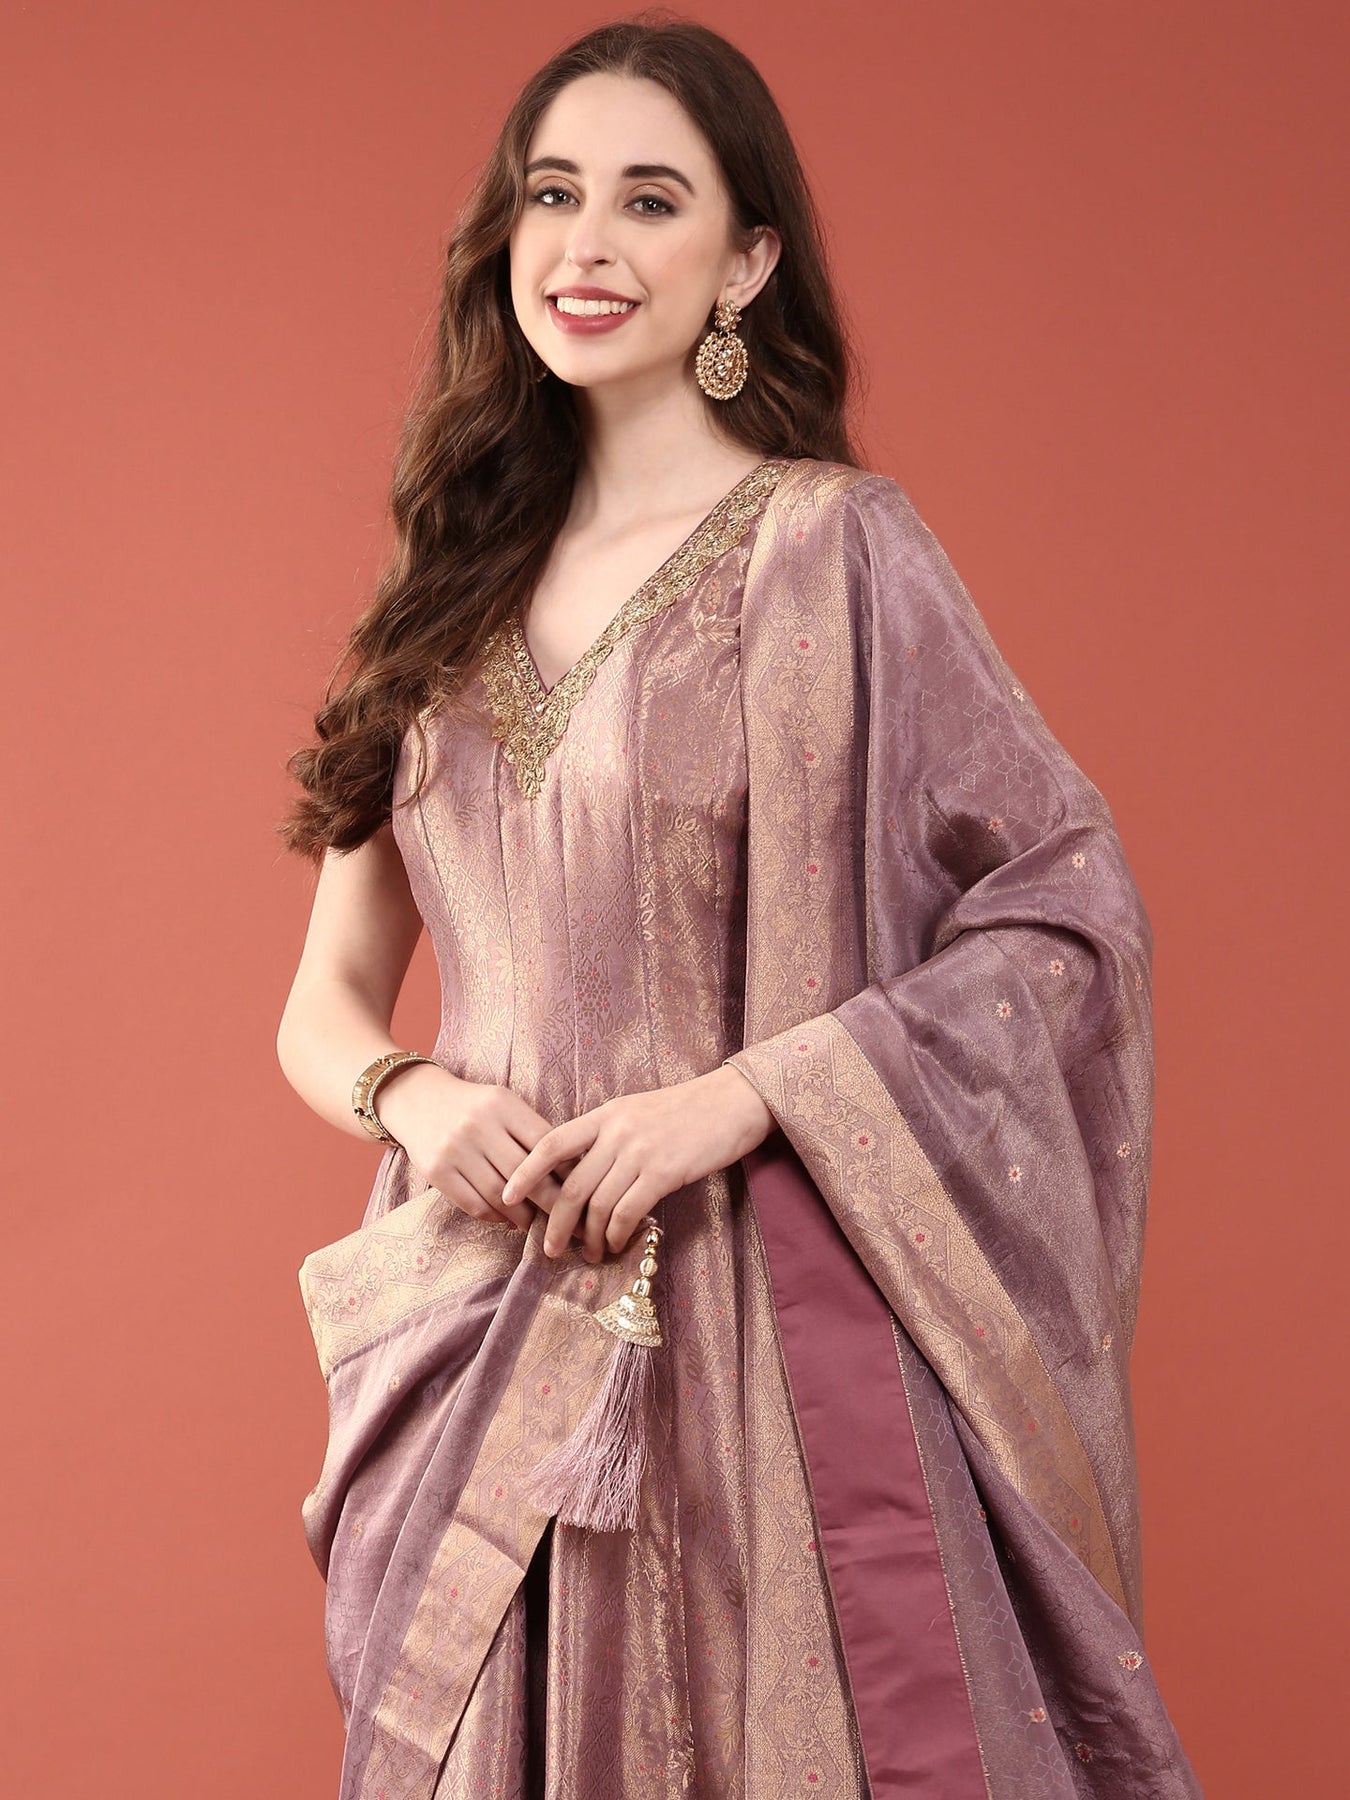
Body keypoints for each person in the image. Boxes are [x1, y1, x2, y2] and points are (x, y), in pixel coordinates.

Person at [275, 16, 1205, 1799]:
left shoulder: (832, 554)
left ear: (745, 262)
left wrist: (743, 1095)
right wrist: (420, 1098)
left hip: (766, 1317)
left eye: (650, 200)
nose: (586, 245)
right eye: (553, 195)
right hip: (484, 1313)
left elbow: (1062, 914)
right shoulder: (434, 602)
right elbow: (324, 1006)